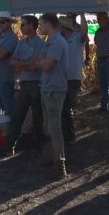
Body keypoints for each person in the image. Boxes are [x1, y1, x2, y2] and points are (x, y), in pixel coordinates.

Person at [5, 15, 46, 156]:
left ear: (31, 26)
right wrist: (26, 64)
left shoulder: (41, 44)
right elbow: (11, 63)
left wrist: (20, 65)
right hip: (24, 83)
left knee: (38, 116)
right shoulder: (21, 43)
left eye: (23, 25)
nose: (20, 27)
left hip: (36, 84)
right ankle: (10, 145)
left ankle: (37, 145)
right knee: (18, 115)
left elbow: (35, 67)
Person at [36, 13, 69, 180]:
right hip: (47, 87)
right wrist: (42, 62)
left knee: (54, 127)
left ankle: (60, 163)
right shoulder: (50, 42)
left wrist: (42, 62)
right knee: (48, 126)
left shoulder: (57, 42)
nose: (39, 27)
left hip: (55, 89)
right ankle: (51, 155)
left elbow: (47, 65)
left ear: (49, 24)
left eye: (41, 23)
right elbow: (40, 61)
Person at [59, 13, 88, 145]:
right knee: (62, 109)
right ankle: (65, 136)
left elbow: (84, 32)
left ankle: (70, 137)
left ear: (64, 27)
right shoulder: (59, 40)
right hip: (61, 78)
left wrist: (82, 15)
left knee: (66, 108)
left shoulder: (77, 38)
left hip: (73, 79)